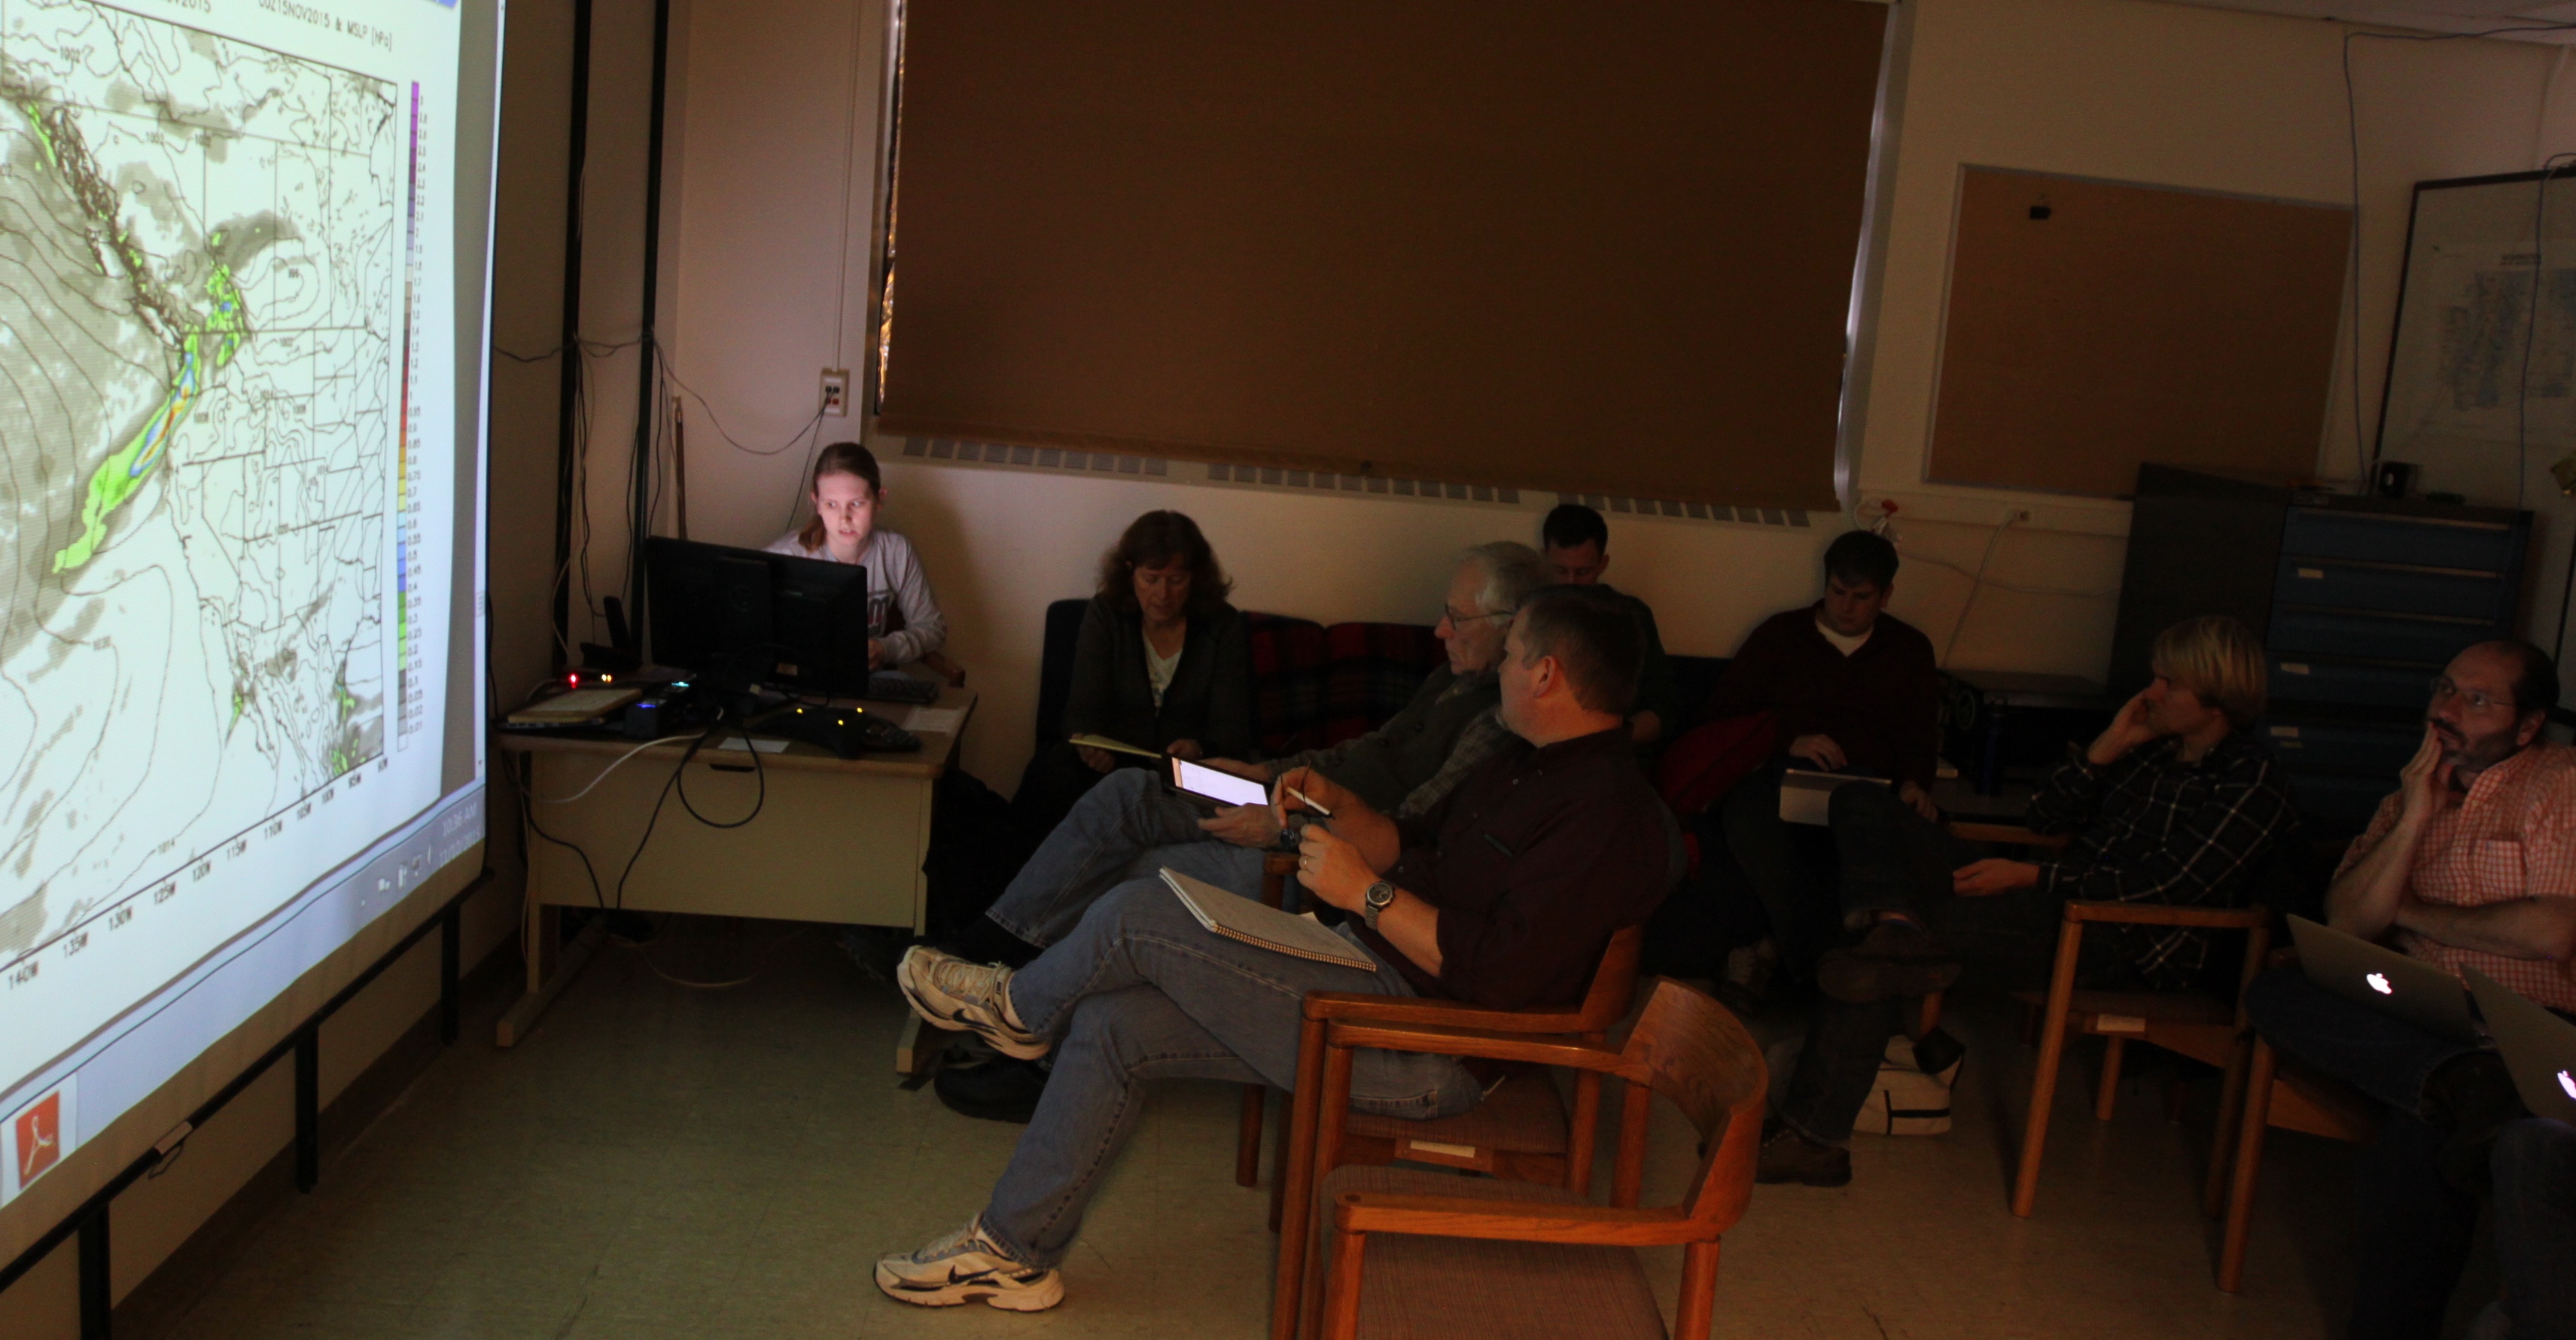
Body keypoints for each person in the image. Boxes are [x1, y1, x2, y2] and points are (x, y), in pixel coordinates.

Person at [872, 585, 1675, 1311]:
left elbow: (1500, 971)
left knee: (1136, 910)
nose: (1494, 668)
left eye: (1508, 654)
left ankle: (1017, 1007)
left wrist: (1364, 892)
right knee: (1114, 1023)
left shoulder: (1606, 814)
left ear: (1546, 675)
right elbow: (1408, 842)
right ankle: (1013, 1252)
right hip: (1366, 979)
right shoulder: (1517, 761)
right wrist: (1334, 805)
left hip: (1423, 1047)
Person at [923, 542, 1548, 1120]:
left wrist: (1278, 827)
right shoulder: (1454, 677)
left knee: (1136, 875)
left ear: (1513, 622)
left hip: (1311, 854)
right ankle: (996, 944)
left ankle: (1037, 1056)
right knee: (1128, 790)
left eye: (1456, 619)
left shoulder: (1497, 727)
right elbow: (1369, 749)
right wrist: (1259, 772)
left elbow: (1403, 836)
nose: (1440, 630)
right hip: (1283, 801)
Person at [1758, 615, 2297, 1188]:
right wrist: (2105, 748)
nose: (2151, 694)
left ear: (2217, 702)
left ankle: (1815, 1135)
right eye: (2155, 678)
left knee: (1886, 948)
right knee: (1859, 804)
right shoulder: (2151, 752)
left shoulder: (2251, 780)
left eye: (2170, 685)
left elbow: (2167, 885)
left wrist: (2034, 877)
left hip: (2115, 938)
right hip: (2050, 893)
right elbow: (2045, 816)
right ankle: (1893, 920)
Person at [2241, 640, 2576, 1340]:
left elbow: (2551, 932)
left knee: (2413, 1146)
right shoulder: (2408, 793)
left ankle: (2461, 1085)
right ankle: (2464, 1081)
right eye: (2446, 688)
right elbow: (2350, 921)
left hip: (2525, 1020)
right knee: (2276, 991)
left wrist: (2416, 912)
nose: (2447, 710)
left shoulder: (2558, 785)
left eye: (2477, 700)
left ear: (2528, 725)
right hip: (2421, 1017)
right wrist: (2419, 813)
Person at [1699, 528, 1941, 1009]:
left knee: (1887, 839)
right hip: (1783, 778)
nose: (1845, 607)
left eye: (1860, 597)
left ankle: (1780, 958)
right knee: (1748, 821)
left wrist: (1916, 783)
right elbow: (1724, 714)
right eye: (1837, 592)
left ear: (1886, 597)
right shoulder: (1782, 635)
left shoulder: (1909, 649)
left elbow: (1918, 733)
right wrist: (1789, 737)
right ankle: (1824, 967)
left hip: (1869, 791)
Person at [1013, 512, 1253, 836]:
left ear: (1195, 578)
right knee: (1053, 770)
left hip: (1190, 773)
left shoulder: (1223, 625)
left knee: (1244, 793)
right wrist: (1091, 747)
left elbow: (1234, 728)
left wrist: (1198, 749)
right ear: (1130, 573)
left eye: (1176, 580)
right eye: (1151, 579)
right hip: (1113, 767)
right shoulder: (1106, 614)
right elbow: (1081, 712)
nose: (1163, 595)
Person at [765, 441, 945, 668]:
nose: (844, 518)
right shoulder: (785, 557)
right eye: (831, 505)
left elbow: (933, 628)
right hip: (801, 685)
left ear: (879, 499)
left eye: (857, 504)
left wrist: (885, 648)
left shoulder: (896, 551)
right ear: (817, 503)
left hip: (869, 683)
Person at [1537, 503, 1680, 745]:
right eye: (1560, 570)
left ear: (1602, 565)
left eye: (1583, 572)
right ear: (1544, 559)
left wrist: (1609, 741)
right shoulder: (1527, 614)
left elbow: (1663, 707)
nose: (1571, 583)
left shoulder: (1632, 617)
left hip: (1611, 750)